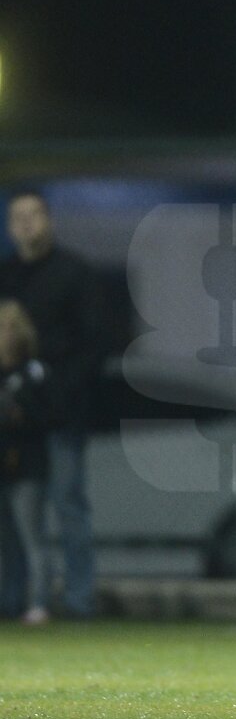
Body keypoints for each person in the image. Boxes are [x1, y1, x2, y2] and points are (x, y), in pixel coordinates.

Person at [2, 191, 106, 618]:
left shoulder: (75, 273)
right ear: (9, 226)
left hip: (61, 415)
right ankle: (16, 599)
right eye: (18, 217)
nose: (27, 224)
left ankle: (79, 600)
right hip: (14, 421)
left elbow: (94, 343)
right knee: (12, 513)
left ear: (49, 221)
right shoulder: (6, 276)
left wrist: (61, 393)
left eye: (34, 215)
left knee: (67, 504)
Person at [0, 300, 50, 623]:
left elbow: (38, 416)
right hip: (3, 466)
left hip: (27, 466)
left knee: (32, 536)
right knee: (7, 542)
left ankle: (39, 603)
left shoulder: (32, 372)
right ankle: (11, 602)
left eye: (10, 328)